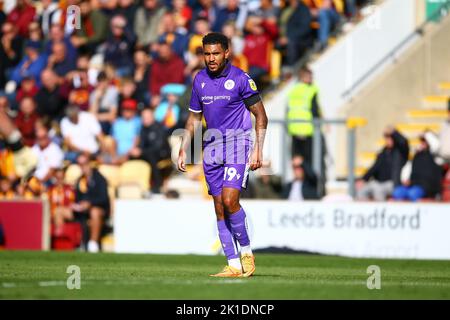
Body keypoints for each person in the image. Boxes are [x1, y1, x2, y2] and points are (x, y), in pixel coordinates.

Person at [178, 33, 268, 277]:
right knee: (219, 208)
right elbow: (195, 117)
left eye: (216, 53)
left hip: (238, 145)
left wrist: (258, 149)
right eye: (207, 54)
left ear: (227, 52)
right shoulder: (200, 80)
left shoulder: (240, 78)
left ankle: (247, 254)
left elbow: (261, 115)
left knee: (230, 200)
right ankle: (233, 264)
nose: (211, 58)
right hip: (212, 148)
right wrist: (184, 147)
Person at [356, 127, 409, 201]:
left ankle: (381, 212)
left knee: (378, 190)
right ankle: (365, 211)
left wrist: (394, 132)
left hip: (392, 183)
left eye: (390, 138)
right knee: (361, 191)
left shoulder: (400, 153)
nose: (388, 141)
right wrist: (363, 179)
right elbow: (374, 167)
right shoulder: (383, 153)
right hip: (378, 182)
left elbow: (404, 142)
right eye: (386, 138)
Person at [72, 153, 110, 252]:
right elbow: (77, 198)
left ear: (89, 163)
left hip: (99, 209)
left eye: (84, 163)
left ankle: (93, 244)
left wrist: (90, 203)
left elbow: (104, 198)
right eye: (80, 164)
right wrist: (77, 205)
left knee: (94, 211)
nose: (82, 167)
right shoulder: (80, 180)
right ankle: (67, 244)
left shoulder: (99, 178)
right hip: (82, 211)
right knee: (60, 211)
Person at [130, 108, 171, 193]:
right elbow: (142, 144)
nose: (145, 119)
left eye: (147, 117)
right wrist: (136, 150)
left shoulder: (159, 128)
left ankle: (157, 185)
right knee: (132, 156)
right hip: (148, 153)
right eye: (143, 117)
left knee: (151, 157)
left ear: (152, 117)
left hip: (162, 154)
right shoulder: (143, 129)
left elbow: (158, 147)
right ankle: (135, 185)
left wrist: (141, 152)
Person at [287, 67, 322, 165]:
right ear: (303, 77)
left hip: (293, 128)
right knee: (309, 161)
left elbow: (288, 109)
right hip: (307, 128)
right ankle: (307, 180)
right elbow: (315, 109)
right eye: (310, 76)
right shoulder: (311, 89)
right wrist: (321, 124)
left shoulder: (293, 89)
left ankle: (298, 180)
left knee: (296, 160)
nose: (311, 79)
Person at [392, 134, 442, 202]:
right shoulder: (417, 156)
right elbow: (409, 171)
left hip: (426, 187)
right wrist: (407, 181)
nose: (422, 143)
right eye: (421, 141)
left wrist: (426, 134)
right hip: (413, 185)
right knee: (397, 193)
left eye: (424, 141)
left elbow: (436, 145)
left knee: (412, 193)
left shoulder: (435, 156)